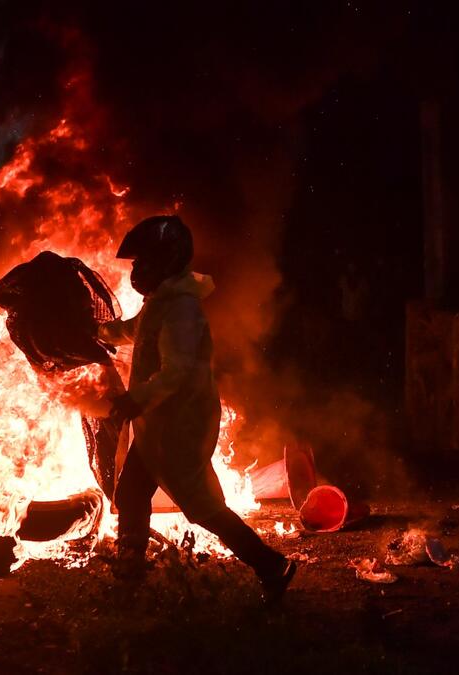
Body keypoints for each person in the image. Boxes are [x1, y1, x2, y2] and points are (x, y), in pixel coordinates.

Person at [99, 215, 296, 603]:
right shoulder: (162, 303)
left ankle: (272, 566)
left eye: (143, 262)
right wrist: (99, 332)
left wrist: (137, 398)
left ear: (166, 261)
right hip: (157, 427)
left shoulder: (182, 310)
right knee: (132, 494)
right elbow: (133, 331)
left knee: (203, 507)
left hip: (179, 427)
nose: (137, 270)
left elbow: (178, 371)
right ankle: (129, 574)